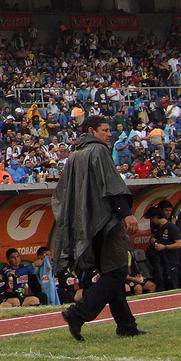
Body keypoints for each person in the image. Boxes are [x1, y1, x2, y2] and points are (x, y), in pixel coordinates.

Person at [52, 115, 145, 340]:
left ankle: (126, 325)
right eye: (105, 130)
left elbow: (62, 195)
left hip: (86, 224)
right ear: (92, 131)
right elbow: (112, 185)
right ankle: (78, 314)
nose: (109, 134)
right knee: (117, 272)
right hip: (106, 223)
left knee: (111, 274)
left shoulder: (74, 156)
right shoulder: (99, 151)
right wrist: (127, 213)